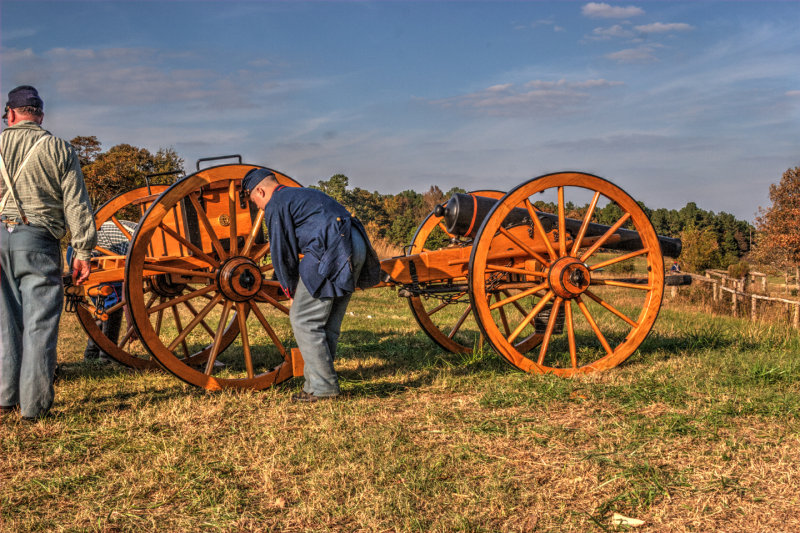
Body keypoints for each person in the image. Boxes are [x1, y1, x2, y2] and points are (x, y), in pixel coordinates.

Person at [241, 168, 381, 402]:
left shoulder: (276, 203)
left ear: (260, 190)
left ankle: (324, 388)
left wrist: (290, 289)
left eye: (253, 199)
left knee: (303, 319)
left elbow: (281, 251)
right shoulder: (302, 194)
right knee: (326, 324)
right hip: (355, 245)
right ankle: (313, 386)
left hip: (333, 249)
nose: (256, 205)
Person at [0, 85, 97, 421]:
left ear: (10, 114)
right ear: (39, 114)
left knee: (5, 321)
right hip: (37, 238)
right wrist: (82, 249)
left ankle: (5, 398)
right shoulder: (57, 148)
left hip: (0, 238)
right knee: (39, 324)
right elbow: (76, 203)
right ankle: (34, 408)